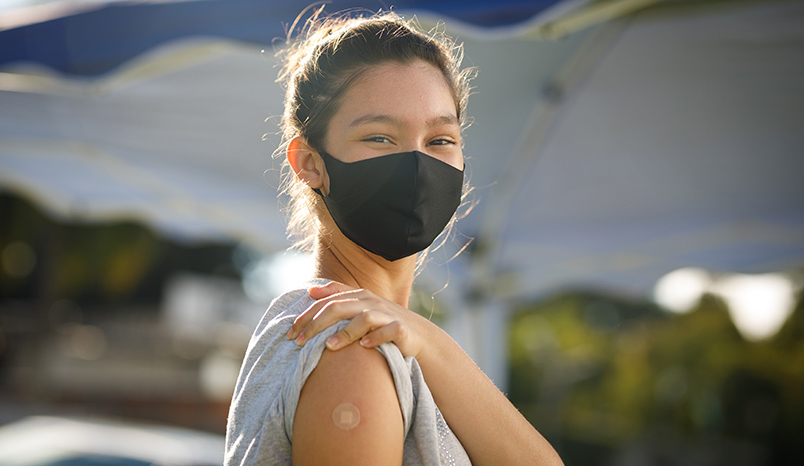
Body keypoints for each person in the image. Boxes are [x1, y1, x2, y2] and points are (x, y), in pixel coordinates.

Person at [225, 10, 564, 466]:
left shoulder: (386, 338)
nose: (417, 166)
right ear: (309, 162)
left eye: (441, 139)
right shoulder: (351, 347)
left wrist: (432, 342)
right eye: (381, 138)